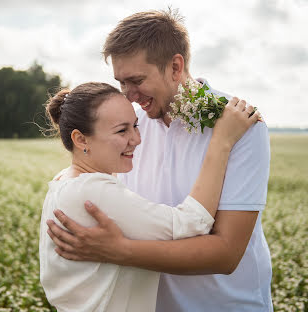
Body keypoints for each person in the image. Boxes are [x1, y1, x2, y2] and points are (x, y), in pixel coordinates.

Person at [47, 9, 273, 311]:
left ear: (175, 67)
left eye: (136, 80)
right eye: (121, 83)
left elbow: (226, 253)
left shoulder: (239, 127)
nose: (127, 95)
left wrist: (119, 251)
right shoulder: (127, 129)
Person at [40, 82, 259, 311]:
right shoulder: (92, 190)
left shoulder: (63, 181)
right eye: (121, 130)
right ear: (81, 139)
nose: (137, 139)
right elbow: (192, 224)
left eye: (135, 126)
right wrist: (222, 141)